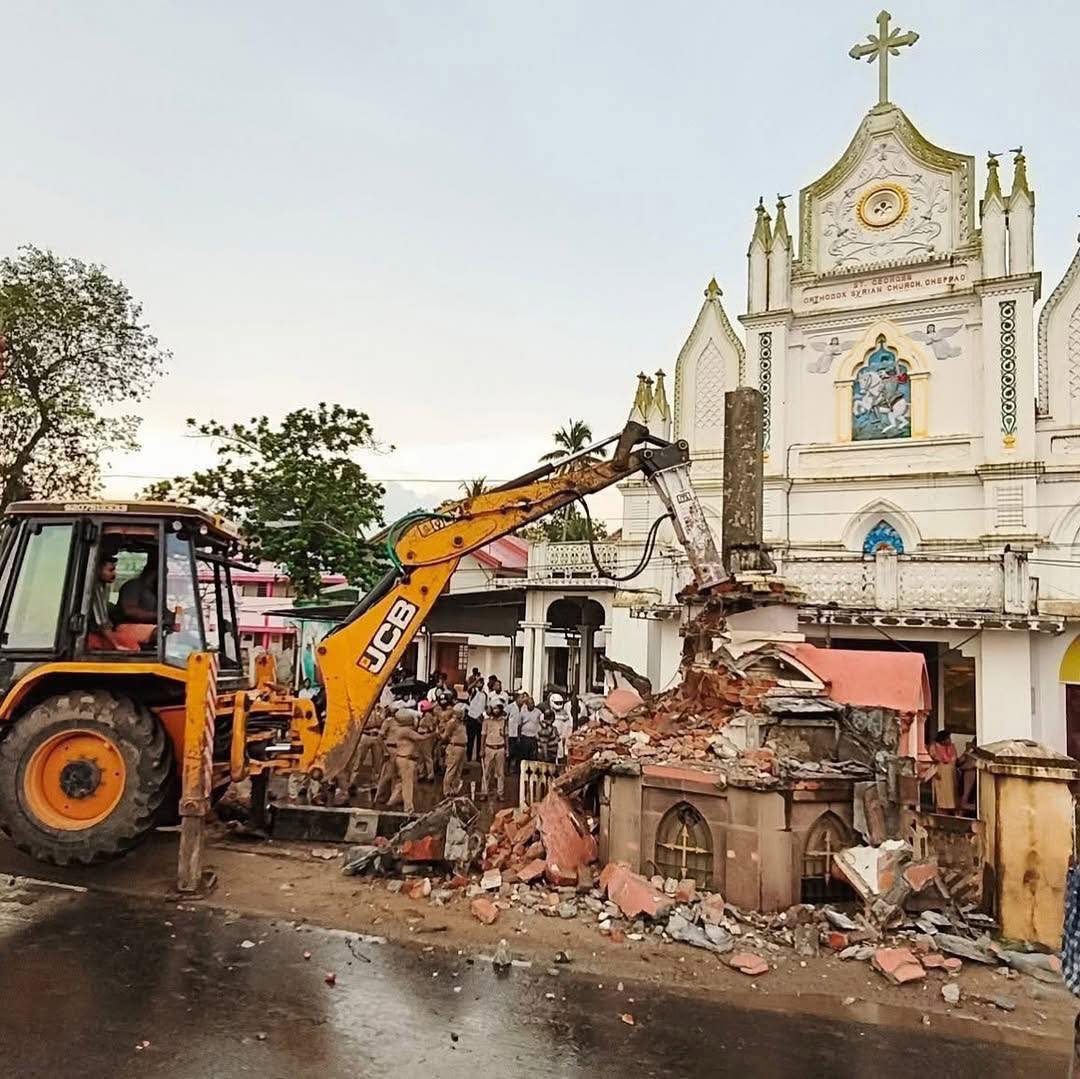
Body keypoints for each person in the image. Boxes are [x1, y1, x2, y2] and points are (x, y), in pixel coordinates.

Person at [387, 709, 425, 814]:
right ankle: (408, 807)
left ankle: (392, 801)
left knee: (401, 782)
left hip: (403, 758)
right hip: (405, 759)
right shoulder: (405, 731)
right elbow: (420, 738)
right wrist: (434, 734)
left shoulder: (400, 729)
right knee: (408, 784)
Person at [87, 552, 128, 651]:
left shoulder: (103, 586)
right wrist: (117, 645)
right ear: (97, 570)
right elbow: (102, 622)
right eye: (110, 570)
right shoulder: (94, 587)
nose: (114, 574)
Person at [349, 704, 386, 793]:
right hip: (364, 735)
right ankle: (352, 782)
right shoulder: (362, 708)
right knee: (358, 761)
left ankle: (375, 783)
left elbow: (382, 722)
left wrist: (380, 712)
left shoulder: (380, 710)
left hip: (377, 737)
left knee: (377, 762)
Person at [374, 708, 403, 804]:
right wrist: (385, 751)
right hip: (391, 749)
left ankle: (395, 798)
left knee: (399, 776)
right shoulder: (388, 722)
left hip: (401, 750)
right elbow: (379, 737)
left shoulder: (403, 723)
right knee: (387, 775)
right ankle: (380, 798)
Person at [480, 701, 508, 800]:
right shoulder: (486, 721)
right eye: (494, 708)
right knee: (486, 772)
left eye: (498, 708)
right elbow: (483, 735)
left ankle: (500, 793)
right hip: (489, 748)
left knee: (500, 773)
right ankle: (484, 792)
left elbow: (506, 736)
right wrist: (481, 749)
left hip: (500, 748)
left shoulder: (504, 721)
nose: (496, 710)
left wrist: (507, 749)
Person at [440, 703, 469, 796]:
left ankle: (454, 789)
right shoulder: (452, 722)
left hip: (462, 747)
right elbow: (445, 736)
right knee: (451, 769)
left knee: (459, 771)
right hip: (454, 747)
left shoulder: (462, 722)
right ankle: (447, 790)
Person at [928, 729, 959, 814]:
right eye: (948, 738)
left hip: (951, 774)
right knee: (941, 796)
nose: (949, 740)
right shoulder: (934, 746)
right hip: (940, 773)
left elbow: (954, 758)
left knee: (952, 795)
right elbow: (935, 758)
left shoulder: (952, 746)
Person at [465, 680, 488, 761]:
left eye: (482, 683)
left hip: (480, 719)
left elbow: (485, 706)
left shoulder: (485, 694)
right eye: (479, 683)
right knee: (470, 739)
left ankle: (478, 757)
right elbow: (468, 688)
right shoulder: (474, 691)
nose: (480, 684)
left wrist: (482, 716)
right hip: (471, 717)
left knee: (479, 738)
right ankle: (468, 756)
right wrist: (475, 682)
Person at [416, 699, 438, 782]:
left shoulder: (428, 716)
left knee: (427, 756)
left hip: (425, 736)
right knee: (421, 756)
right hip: (421, 736)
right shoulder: (424, 716)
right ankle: (422, 773)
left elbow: (431, 728)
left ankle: (430, 774)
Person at [550, 693, 573, 764]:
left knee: (563, 756)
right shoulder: (549, 713)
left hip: (564, 737)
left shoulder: (565, 713)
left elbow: (569, 724)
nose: (559, 704)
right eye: (557, 703)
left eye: (560, 703)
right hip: (554, 739)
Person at [517, 694, 541, 762]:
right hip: (525, 738)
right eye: (530, 704)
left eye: (533, 703)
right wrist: (519, 737)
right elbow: (519, 725)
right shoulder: (522, 712)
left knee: (533, 757)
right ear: (527, 704)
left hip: (534, 738)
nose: (532, 705)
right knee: (524, 757)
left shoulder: (538, 712)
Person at [506, 691, 524, 771]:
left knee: (518, 752)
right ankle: (507, 768)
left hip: (519, 733)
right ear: (516, 699)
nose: (522, 700)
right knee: (510, 752)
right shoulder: (510, 707)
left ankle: (516, 768)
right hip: (511, 733)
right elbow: (504, 718)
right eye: (520, 698)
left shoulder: (524, 708)